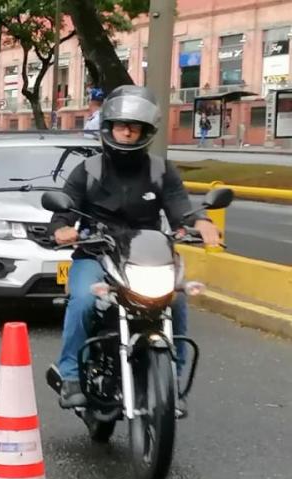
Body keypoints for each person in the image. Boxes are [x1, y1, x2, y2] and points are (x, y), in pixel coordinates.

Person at [49, 85, 220, 412]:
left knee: (178, 301)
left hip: (147, 255)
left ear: (146, 131)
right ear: (109, 128)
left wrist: (201, 223)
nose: (127, 131)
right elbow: (63, 213)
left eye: (135, 126)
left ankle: (173, 382)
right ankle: (70, 375)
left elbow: (180, 207)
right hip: (96, 253)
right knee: (84, 300)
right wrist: (62, 230)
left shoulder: (161, 171)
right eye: (121, 125)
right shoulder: (87, 171)